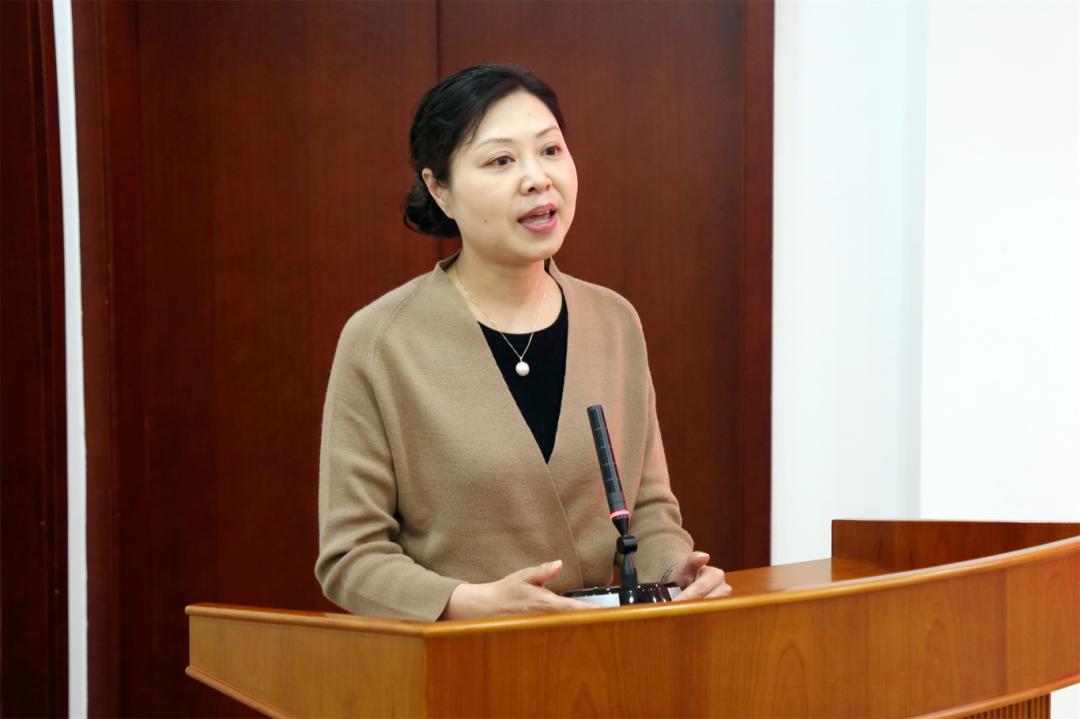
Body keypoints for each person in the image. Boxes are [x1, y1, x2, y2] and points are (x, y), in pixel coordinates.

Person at [315, 63, 732, 622]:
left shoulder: (614, 321)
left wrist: (676, 572)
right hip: (456, 661)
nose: (537, 178)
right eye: (501, 161)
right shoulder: (381, 340)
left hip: (599, 657)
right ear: (439, 190)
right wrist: (473, 603)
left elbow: (648, 512)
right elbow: (351, 558)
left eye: (551, 150)